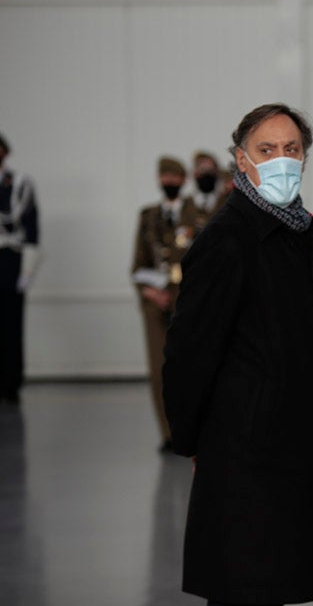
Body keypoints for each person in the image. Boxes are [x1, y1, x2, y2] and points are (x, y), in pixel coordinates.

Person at [162, 103, 313, 606]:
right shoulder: (227, 239)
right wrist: (193, 440)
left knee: (277, 583)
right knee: (246, 583)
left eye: (291, 149)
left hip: (295, 450)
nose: (281, 159)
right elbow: (189, 353)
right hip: (245, 454)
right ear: (242, 160)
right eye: (266, 150)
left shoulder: (302, 231)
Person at [130, 156, 198, 452]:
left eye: (174, 177)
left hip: (190, 303)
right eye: (164, 177)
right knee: (160, 371)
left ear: (183, 180)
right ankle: (168, 434)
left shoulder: (198, 214)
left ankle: (194, 429)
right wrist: (149, 291)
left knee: (193, 368)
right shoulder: (148, 216)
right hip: (156, 304)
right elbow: (138, 263)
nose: (168, 182)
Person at [0, 133, 41, 405]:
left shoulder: (20, 183)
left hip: (9, 257)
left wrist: (27, 271)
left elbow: (29, 225)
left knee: (11, 322)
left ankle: (11, 382)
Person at [190, 150, 225, 231]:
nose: (206, 174)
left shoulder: (227, 202)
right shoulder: (185, 204)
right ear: (194, 173)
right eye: (202, 170)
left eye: (210, 170)